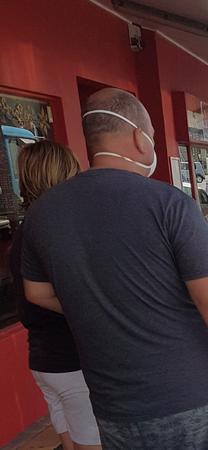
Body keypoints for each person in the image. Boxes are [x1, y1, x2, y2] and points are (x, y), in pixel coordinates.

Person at [21, 88, 208, 449]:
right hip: (193, 397)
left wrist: (100, 304)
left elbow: (36, 292)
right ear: (139, 137)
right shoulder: (169, 204)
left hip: (114, 408)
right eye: (152, 135)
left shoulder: (43, 214)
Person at [11, 141, 101, 450]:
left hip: (44, 359)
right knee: (92, 441)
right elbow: (42, 293)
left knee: (70, 438)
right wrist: (96, 311)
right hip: (70, 359)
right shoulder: (51, 229)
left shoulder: (27, 228)